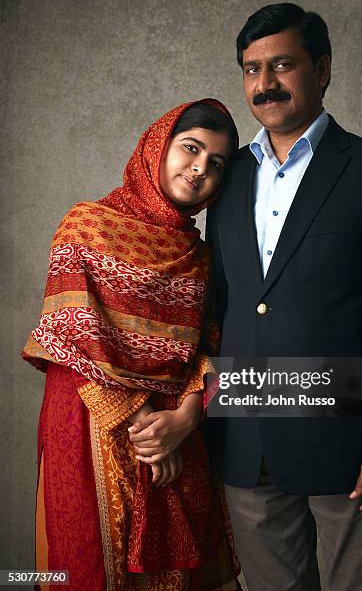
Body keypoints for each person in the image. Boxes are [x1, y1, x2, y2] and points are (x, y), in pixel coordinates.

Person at [205, 4, 362, 591]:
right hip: (248, 446)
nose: (265, 84)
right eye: (252, 69)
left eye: (283, 64)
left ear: (323, 70)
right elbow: (224, 309)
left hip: (353, 448)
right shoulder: (226, 181)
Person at [23, 99, 242, 591]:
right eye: (191, 149)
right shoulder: (87, 224)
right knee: (90, 562)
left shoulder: (200, 253)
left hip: (179, 432)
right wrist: (146, 429)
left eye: (216, 163)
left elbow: (208, 342)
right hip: (92, 423)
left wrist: (184, 420)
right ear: (157, 147)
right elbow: (69, 334)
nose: (199, 169)